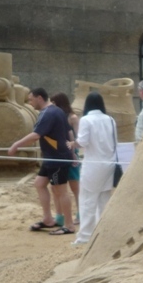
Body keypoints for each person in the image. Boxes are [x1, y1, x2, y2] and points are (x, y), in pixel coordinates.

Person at [8, 88, 76, 235]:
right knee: (39, 183)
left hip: (56, 158)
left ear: (39, 98)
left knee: (61, 190)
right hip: (52, 156)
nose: (30, 103)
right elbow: (68, 132)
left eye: (31, 99)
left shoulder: (48, 113)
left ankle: (69, 225)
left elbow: (36, 135)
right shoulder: (57, 111)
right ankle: (48, 219)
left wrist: (16, 144)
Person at [70, 92, 117, 245]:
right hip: (109, 164)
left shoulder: (86, 119)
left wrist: (72, 144)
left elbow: (82, 142)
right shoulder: (110, 119)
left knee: (87, 201)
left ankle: (85, 237)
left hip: (92, 165)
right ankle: (103, 234)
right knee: (104, 200)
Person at [51, 92, 80, 225]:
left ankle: (80, 214)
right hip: (58, 154)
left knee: (75, 186)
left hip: (71, 153)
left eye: (54, 102)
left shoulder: (73, 117)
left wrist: (73, 152)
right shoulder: (55, 116)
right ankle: (60, 215)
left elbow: (77, 137)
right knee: (57, 187)